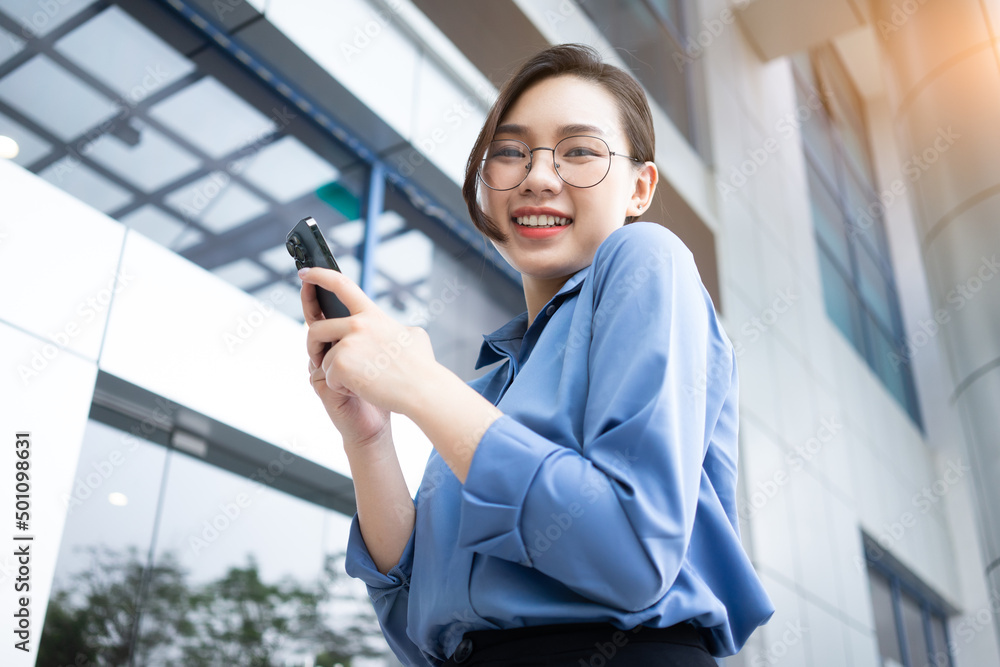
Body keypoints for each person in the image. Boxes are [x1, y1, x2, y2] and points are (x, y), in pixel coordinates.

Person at [298, 43, 774, 667]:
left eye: (579, 151)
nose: (537, 177)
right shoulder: (490, 386)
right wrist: (369, 438)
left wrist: (420, 386)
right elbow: (419, 632)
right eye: (510, 153)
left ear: (640, 187)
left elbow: (630, 556)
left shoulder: (647, 260)